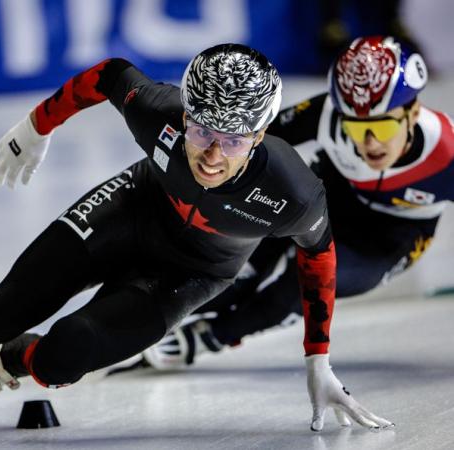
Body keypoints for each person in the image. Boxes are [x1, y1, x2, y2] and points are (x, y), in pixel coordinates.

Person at [0, 44, 392, 445]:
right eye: (203, 129)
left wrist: (318, 356)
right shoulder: (160, 112)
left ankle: (17, 361)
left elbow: (320, 255)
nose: (212, 152)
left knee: (64, 353)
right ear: (186, 115)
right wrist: (36, 126)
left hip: (192, 271)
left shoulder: (291, 191)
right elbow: (107, 74)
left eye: (234, 141)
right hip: (130, 210)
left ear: (260, 134)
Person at [139, 36, 453, 375]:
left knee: (300, 289)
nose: (369, 143)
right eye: (355, 127)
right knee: (242, 261)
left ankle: (211, 337)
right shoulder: (327, 113)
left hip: (388, 237)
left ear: (413, 112)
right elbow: (249, 141)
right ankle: (149, 314)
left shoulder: (448, 155)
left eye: (382, 126)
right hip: (331, 195)